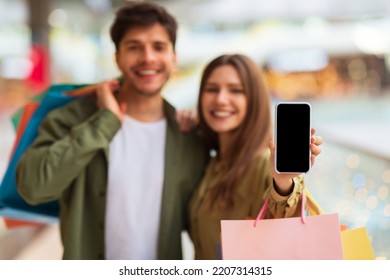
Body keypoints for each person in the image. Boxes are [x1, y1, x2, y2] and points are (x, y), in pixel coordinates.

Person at [16, 2, 209, 260]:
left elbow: (206, 216)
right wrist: (104, 123)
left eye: (159, 47)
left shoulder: (189, 136)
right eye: (134, 47)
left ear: (174, 58)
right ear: (117, 57)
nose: (148, 57)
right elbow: (32, 187)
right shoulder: (72, 118)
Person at [189, 54, 323, 260]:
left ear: (254, 100)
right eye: (212, 89)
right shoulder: (214, 162)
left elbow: (283, 214)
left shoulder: (261, 163)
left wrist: (283, 181)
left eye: (236, 90)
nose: (220, 99)